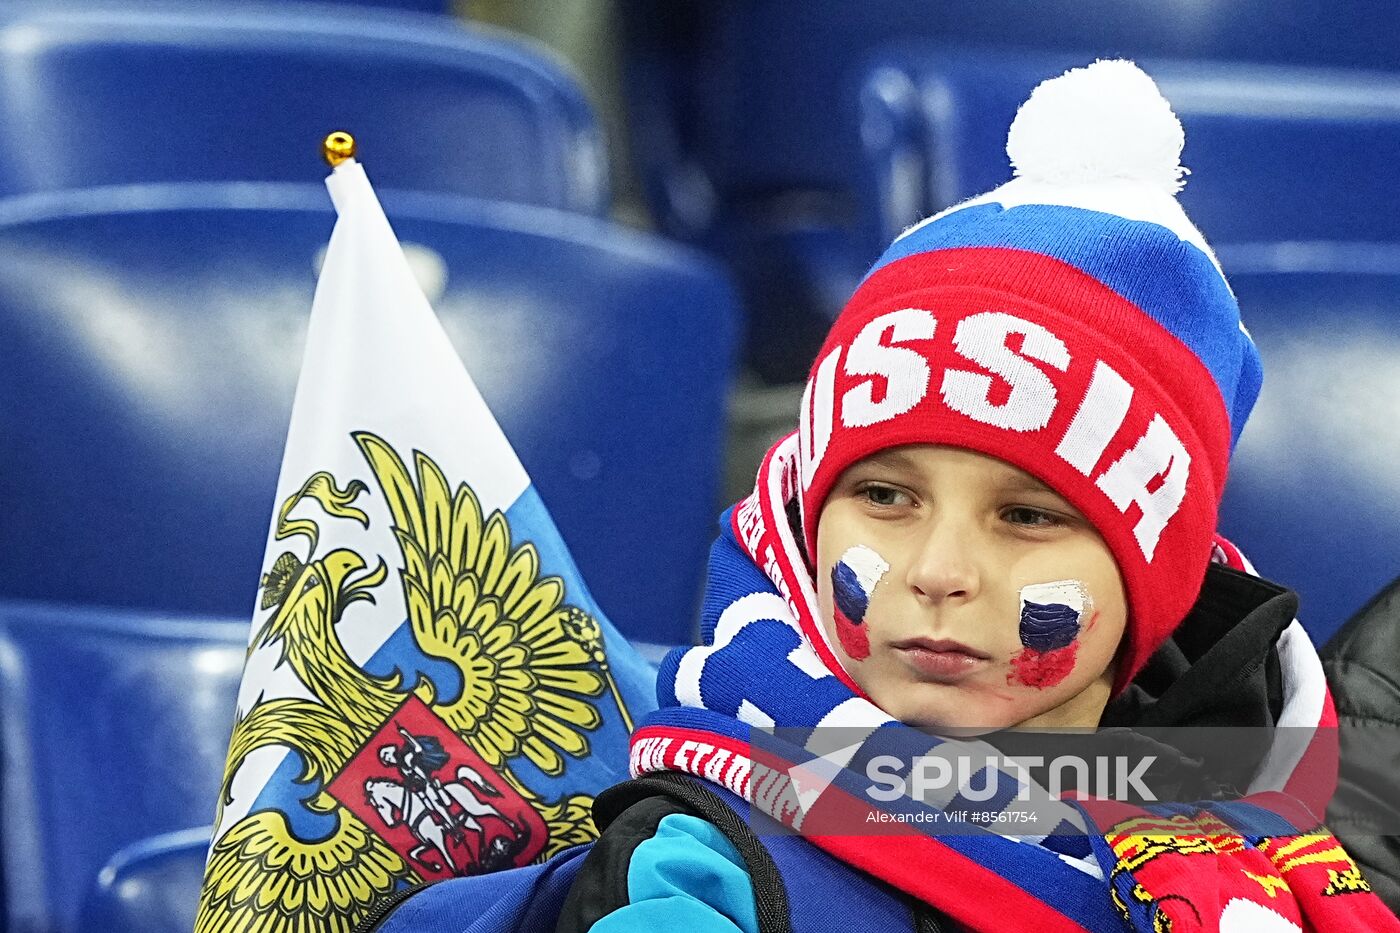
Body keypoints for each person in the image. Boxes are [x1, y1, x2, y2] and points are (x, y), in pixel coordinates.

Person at [554, 60, 1400, 931]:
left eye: (1027, 515)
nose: (940, 570)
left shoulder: (1292, 812)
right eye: (885, 495)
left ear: (1156, 574)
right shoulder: (699, 871)